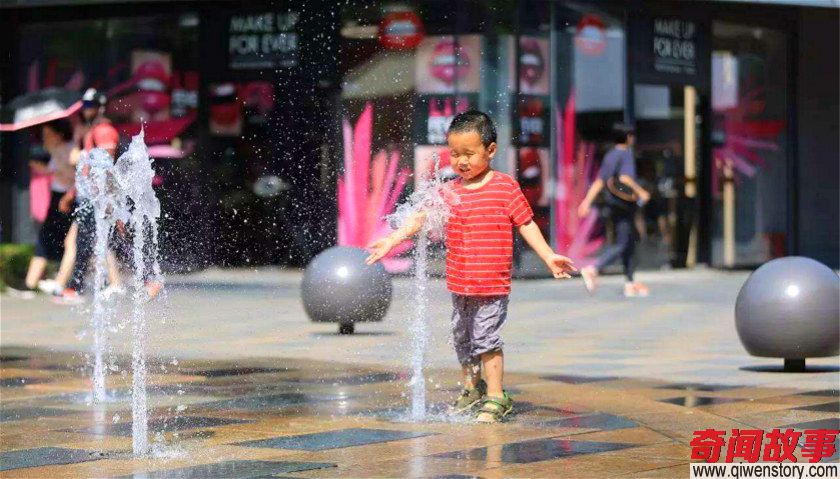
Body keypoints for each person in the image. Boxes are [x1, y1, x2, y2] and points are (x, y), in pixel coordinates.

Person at [365, 111, 576, 423]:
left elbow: (527, 223)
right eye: (454, 154)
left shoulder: (505, 188)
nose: (460, 161)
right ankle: (471, 388)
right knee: (463, 339)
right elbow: (420, 217)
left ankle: (496, 396)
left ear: (490, 150)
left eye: (469, 153)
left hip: (491, 284)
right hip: (459, 282)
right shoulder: (450, 191)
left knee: (486, 338)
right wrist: (391, 240)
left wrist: (548, 256)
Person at [577, 124, 651, 298]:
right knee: (623, 244)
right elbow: (625, 177)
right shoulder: (626, 154)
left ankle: (630, 283)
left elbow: (599, 181)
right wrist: (641, 192)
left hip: (613, 204)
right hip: (625, 205)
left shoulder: (610, 155)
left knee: (628, 243)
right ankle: (594, 268)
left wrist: (586, 202)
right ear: (628, 138)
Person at [22, 119, 76, 294]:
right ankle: (30, 284)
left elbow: (74, 176)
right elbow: (51, 171)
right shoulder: (55, 150)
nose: (44, 138)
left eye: (47, 134)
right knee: (45, 237)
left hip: (69, 198)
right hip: (56, 197)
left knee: (73, 242)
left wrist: (58, 166)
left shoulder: (70, 148)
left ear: (58, 134)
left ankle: (62, 283)